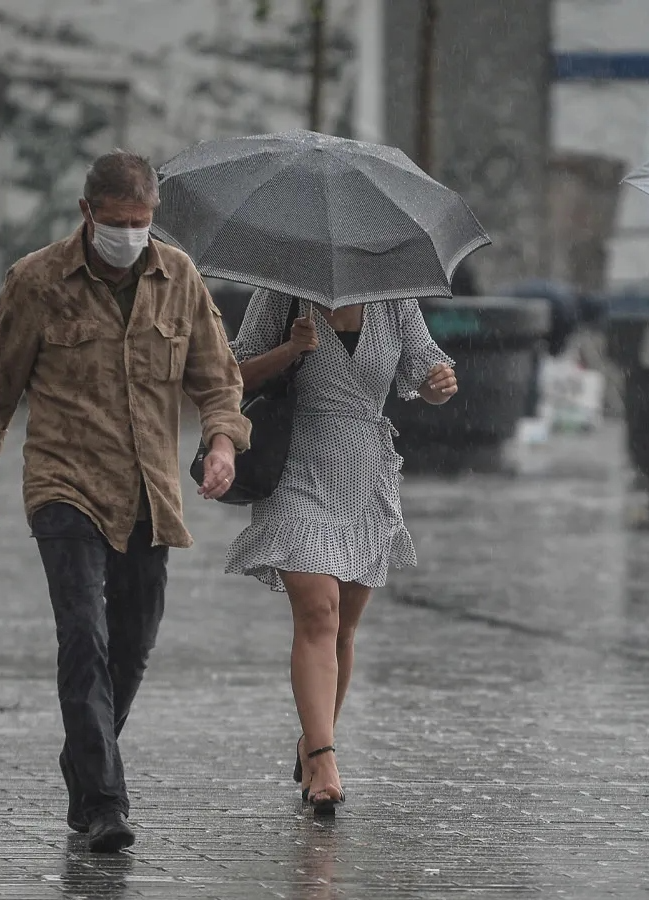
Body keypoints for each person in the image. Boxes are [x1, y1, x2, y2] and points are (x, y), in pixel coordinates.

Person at [0, 150, 251, 852]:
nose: (129, 234)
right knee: (83, 633)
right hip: (65, 483)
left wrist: (221, 444)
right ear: (86, 213)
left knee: (134, 644)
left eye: (142, 221)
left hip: (150, 490)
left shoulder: (178, 277)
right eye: (117, 221)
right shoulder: (37, 281)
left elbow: (218, 379)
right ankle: (102, 803)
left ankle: (85, 757)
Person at [225, 288, 458, 814]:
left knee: (344, 630)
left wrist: (439, 384)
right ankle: (326, 759)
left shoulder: (393, 297)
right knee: (317, 614)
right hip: (297, 468)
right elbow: (231, 374)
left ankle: (312, 742)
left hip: (364, 473)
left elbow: (425, 370)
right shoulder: (282, 292)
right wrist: (289, 351)